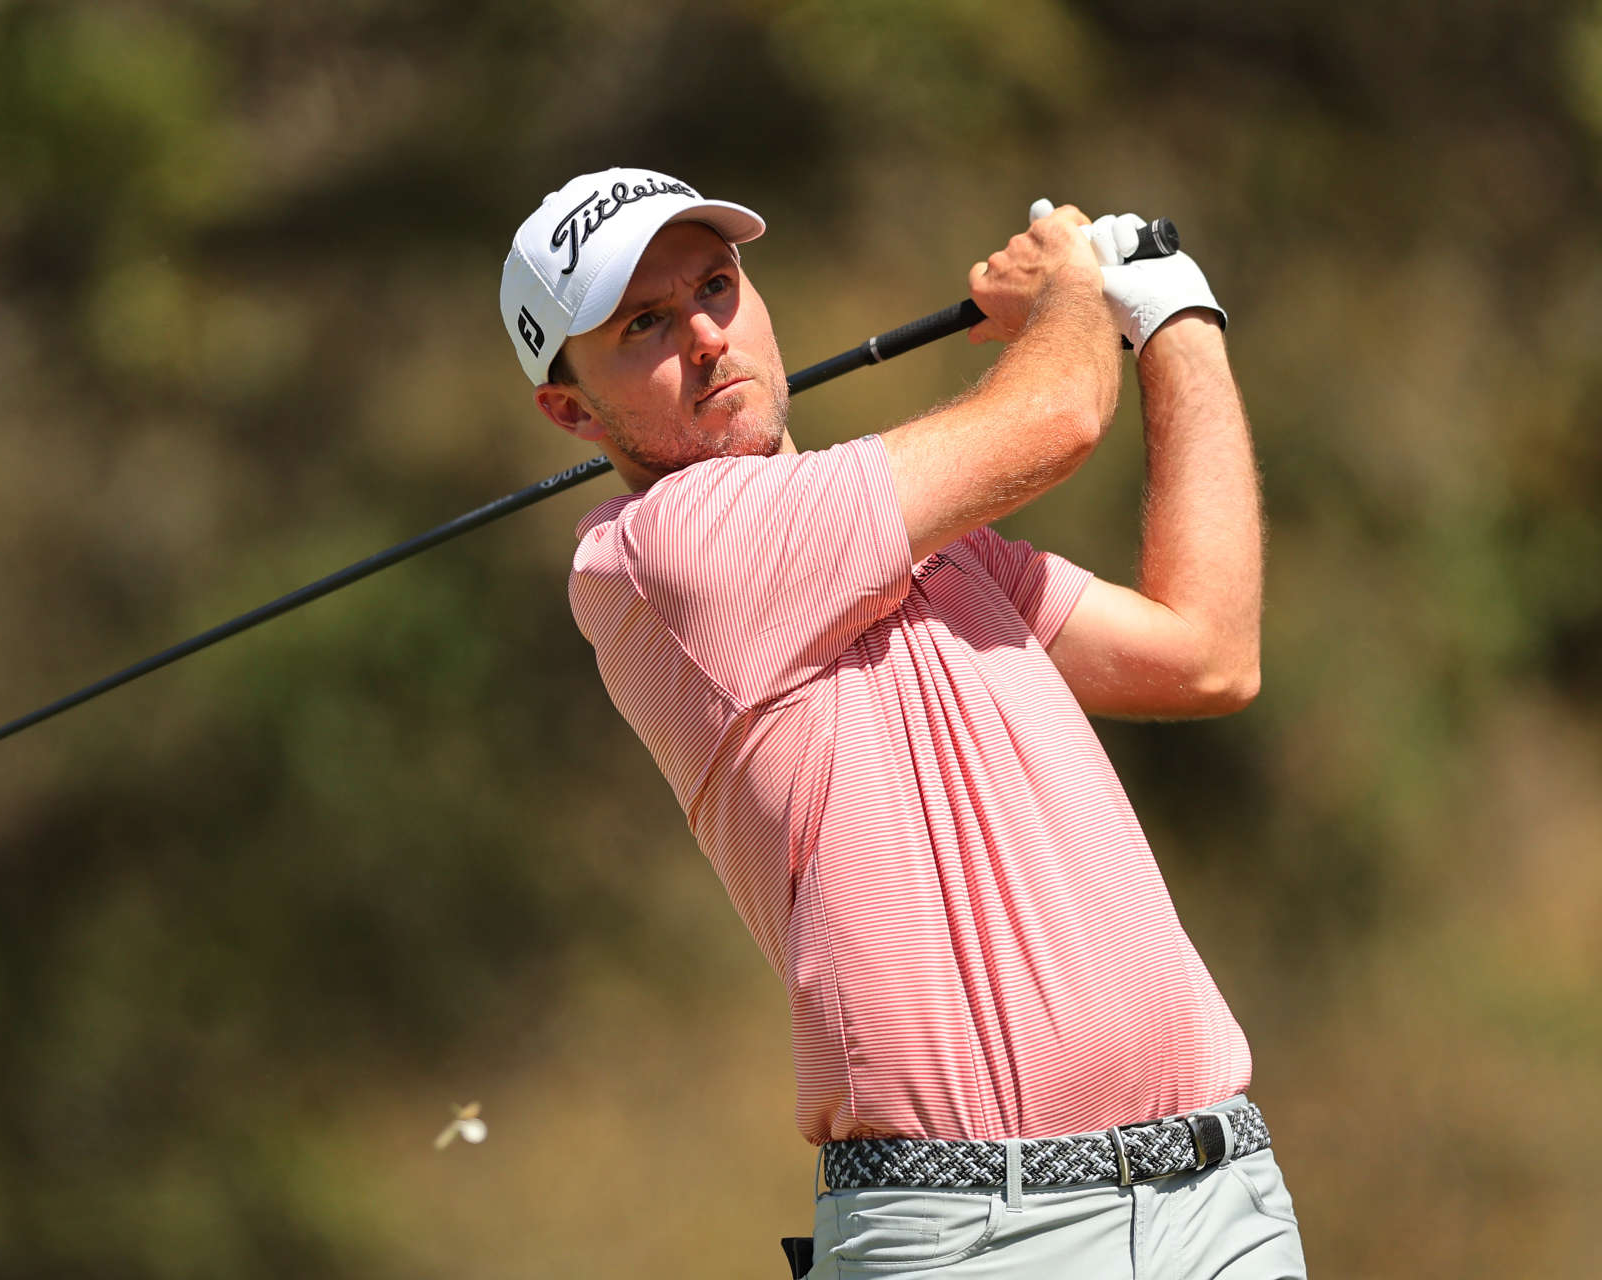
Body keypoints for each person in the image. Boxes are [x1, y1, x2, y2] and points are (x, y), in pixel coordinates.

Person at [499, 167, 1306, 1279]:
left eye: (719, 288)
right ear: (571, 410)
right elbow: (1058, 414)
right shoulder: (657, 557)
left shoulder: (941, 549)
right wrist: (1074, 284)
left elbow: (1208, 650)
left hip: (1218, 1200)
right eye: (645, 323)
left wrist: (1177, 317)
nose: (705, 336)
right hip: (972, 1236)